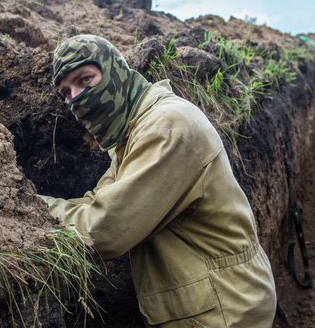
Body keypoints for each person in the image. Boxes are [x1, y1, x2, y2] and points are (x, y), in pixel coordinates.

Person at [39, 35, 276, 327]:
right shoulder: (136, 128)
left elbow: (104, 229)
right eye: (66, 92)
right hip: (216, 299)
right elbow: (100, 200)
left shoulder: (165, 128)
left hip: (223, 310)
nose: (76, 98)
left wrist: (34, 208)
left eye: (85, 79)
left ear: (114, 70)